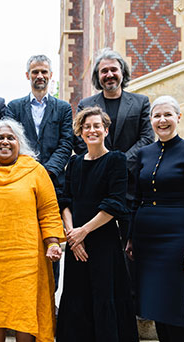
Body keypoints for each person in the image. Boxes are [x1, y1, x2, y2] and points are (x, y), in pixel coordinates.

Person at [0, 118, 65, 342]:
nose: (4, 142)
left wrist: (53, 243)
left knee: (24, 312)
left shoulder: (35, 171)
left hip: (25, 261)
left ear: (20, 143)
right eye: (0, 137)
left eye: (10, 137)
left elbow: (48, 211)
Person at [125, 96, 184, 342]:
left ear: (178, 118)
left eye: (168, 115)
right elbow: (136, 199)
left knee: (173, 307)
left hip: (176, 240)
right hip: (146, 240)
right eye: (157, 116)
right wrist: (130, 238)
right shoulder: (144, 153)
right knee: (155, 307)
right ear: (151, 120)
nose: (162, 120)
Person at [56, 107, 139, 342]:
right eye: (86, 126)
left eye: (96, 126)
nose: (91, 130)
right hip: (76, 244)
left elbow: (114, 204)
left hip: (103, 242)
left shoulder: (116, 159)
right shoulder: (74, 163)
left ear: (106, 129)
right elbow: (66, 200)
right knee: (76, 298)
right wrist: (72, 236)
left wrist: (83, 232)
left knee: (104, 297)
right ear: (80, 132)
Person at [6, 54, 72, 290]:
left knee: (50, 239)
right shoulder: (13, 107)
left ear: (51, 75)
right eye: (35, 72)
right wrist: (28, 174)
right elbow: (10, 143)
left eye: (44, 72)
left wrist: (45, 173)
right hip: (20, 186)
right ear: (28, 76)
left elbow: (66, 143)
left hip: (53, 184)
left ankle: (50, 297)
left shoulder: (63, 108)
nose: (40, 76)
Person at [74, 48, 154, 245]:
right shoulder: (86, 104)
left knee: (132, 248)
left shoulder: (140, 102)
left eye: (113, 70)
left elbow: (146, 137)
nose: (109, 74)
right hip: (96, 188)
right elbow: (78, 139)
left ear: (122, 72)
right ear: (98, 76)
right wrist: (101, 166)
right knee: (100, 245)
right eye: (104, 71)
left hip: (131, 187)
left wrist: (117, 165)